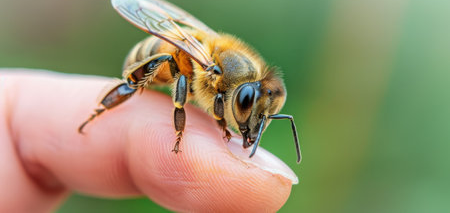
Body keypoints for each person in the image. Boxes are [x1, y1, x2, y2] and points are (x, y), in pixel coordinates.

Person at [0, 70, 297, 212]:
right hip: (166, 59)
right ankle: (104, 107)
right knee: (177, 69)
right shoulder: (218, 75)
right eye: (248, 106)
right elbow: (184, 78)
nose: (253, 124)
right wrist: (186, 126)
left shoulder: (237, 84)